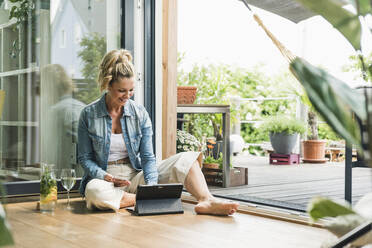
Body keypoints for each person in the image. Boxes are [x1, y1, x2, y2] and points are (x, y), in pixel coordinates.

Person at [78, 49, 239, 215]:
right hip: (104, 178)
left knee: (187, 159)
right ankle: (143, 198)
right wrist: (107, 177)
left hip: (134, 176)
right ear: (108, 85)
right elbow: (85, 158)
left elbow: (148, 157)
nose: (127, 96)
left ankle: (207, 200)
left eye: (131, 90)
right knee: (94, 191)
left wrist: (152, 186)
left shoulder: (139, 114)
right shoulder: (89, 115)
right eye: (121, 91)